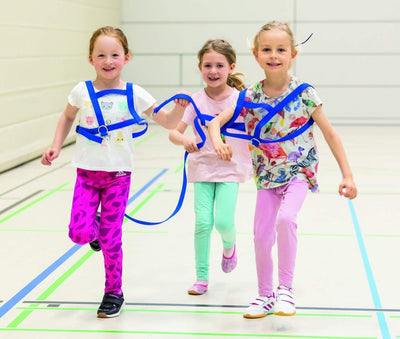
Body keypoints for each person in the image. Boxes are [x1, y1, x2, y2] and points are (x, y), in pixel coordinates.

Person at [208, 21, 357, 318]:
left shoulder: (304, 92)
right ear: (255, 53)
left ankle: (285, 289)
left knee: (286, 219)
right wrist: (218, 142)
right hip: (266, 176)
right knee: (261, 234)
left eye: (280, 49)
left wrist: (348, 174)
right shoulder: (250, 95)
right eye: (266, 49)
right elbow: (215, 122)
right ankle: (265, 295)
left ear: (293, 54)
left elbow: (330, 133)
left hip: (299, 171)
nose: (273, 55)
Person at [41, 26, 189, 318]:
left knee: (111, 238)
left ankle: (114, 292)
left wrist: (180, 108)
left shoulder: (135, 93)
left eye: (115, 55)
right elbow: (67, 117)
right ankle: (95, 230)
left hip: (118, 177)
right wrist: (56, 146)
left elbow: (169, 122)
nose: (108, 61)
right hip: (86, 174)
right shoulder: (81, 91)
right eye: (101, 55)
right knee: (79, 232)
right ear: (91, 59)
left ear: (127, 57)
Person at [169, 39, 252, 295]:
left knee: (224, 221)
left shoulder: (242, 98)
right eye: (207, 65)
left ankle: (230, 246)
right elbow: (174, 133)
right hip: (202, 167)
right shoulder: (194, 101)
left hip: (230, 168)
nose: (213, 71)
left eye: (219, 65)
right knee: (203, 223)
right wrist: (185, 140)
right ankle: (201, 278)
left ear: (231, 67)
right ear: (200, 67)